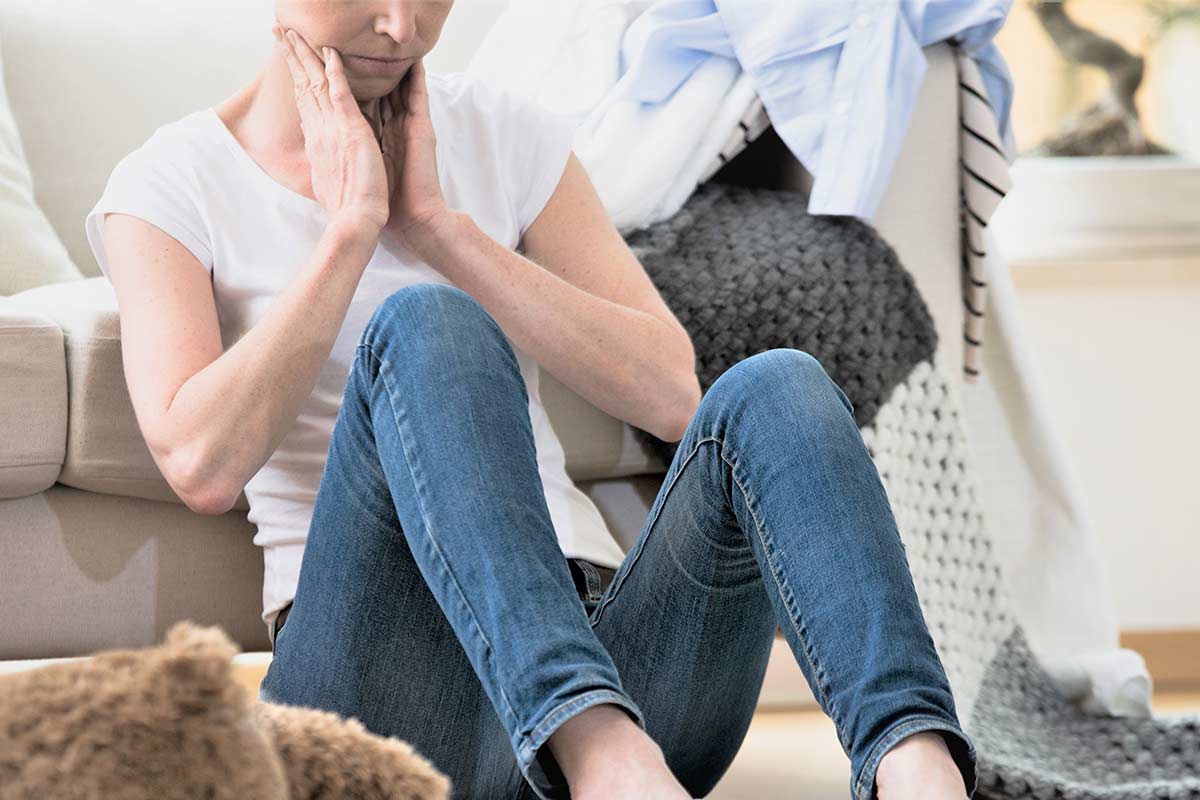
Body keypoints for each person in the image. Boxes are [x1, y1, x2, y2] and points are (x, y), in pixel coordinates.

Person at [87, 3, 978, 799]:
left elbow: (672, 392)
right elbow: (198, 462)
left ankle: (915, 764)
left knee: (778, 383)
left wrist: (440, 229)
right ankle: (590, 746)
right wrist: (350, 232)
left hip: (623, 662)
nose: (402, 27)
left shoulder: (505, 134)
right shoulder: (170, 183)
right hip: (381, 696)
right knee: (427, 324)